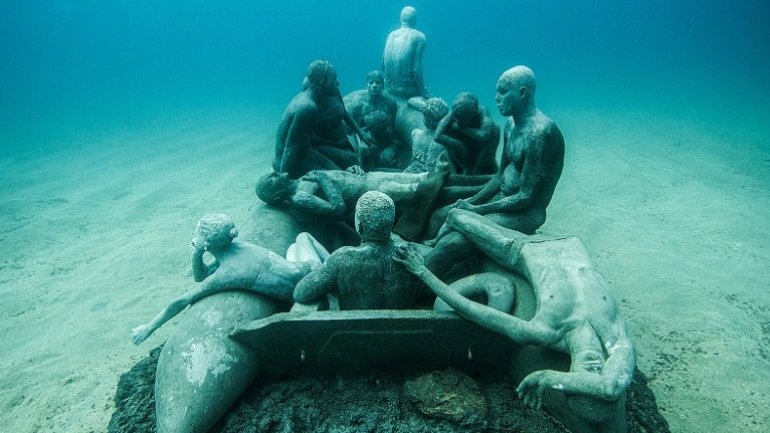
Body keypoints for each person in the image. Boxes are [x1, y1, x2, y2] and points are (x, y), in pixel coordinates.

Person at [396, 208, 636, 410]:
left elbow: (471, 309)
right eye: (597, 373)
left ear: (571, 371)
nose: (593, 369)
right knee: (456, 216)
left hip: (519, 248)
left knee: (456, 216)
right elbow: (610, 386)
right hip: (570, 243)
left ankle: (426, 246)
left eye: (583, 376)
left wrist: (422, 271)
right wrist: (561, 381)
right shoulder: (616, 337)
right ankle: (433, 241)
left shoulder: (544, 331)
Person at [425, 66, 564, 269]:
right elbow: (500, 177)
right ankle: (431, 257)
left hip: (525, 213)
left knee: (453, 241)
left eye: (503, 91)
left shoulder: (540, 134)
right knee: (440, 215)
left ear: (522, 93)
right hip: (503, 197)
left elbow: (525, 197)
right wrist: (469, 202)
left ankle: (424, 279)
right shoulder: (511, 125)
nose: (496, 98)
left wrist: (477, 209)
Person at [130, 214, 328, 345]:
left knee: (301, 238)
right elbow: (202, 275)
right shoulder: (238, 248)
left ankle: (331, 273)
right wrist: (198, 254)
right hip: (304, 272)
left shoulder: (226, 273)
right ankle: (330, 265)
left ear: (206, 243)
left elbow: (184, 299)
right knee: (298, 242)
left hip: (307, 285)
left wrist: (149, 327)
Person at [293, 191, 423, 309]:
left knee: (298, 244)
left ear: (359, 225)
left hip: (352, 332)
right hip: (399, 332)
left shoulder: (342, 258)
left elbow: (300, 293)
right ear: (391, 223)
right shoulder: (412, 257)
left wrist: (324, 273)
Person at [256, 169, 490, 226]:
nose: (275, 174)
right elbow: (337, 209)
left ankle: (488, 179)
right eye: (272, 179)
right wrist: (323, 179)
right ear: (277, 195)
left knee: (431, 177)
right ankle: (484, 190)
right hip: (372, 192)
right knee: (429, 190)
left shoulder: (302, 180)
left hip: (370, 178)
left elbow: (335, 178)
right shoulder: (300, 198)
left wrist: (348, 169)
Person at [273, 60, 373, 179]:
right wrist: (283, 178)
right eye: (334, 79)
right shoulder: (307, 108)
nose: (338, 83)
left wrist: (338, 168)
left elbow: (303, 147)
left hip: (305, 153)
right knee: (343, 178)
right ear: (324, 82)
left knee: (345, 172)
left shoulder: (312, 99)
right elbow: (290, 148)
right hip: (293, 161)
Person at [433, 92, 500, 175]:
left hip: (477, 148)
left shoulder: (482, 111)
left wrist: (461, 128)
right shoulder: (455, 112)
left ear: (473, 111)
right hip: (462, 153)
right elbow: (437, 135)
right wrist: (459, 145)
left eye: (462, 118)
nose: (457, 121)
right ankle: (463, 168)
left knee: (495, 129)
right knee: (447, 130)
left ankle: (477, 170)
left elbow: (484, 135)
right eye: (456, 117)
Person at [382, 6, 429, 99]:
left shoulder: (390, 35)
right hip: (407, 91)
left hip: (388, 89)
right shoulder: (419, 37)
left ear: (400, 19)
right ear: (415, 20)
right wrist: (423, 92)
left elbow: (383, 65)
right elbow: (417, 70)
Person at [404, 97, 449, 173]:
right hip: (431, 179)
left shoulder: (415, 133)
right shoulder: (445, 143)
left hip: (409, 174)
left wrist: (427, 109)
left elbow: (411, 101)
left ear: (424, 117)